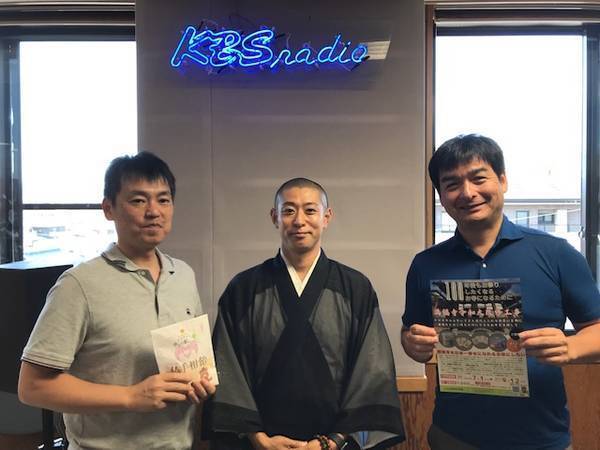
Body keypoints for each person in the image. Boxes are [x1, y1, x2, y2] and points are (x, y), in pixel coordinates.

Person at [402, 134, 600, 450]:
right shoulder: (426, 264)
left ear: (503, 180)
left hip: (540, 439)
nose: (467, 192)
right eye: (452, 184)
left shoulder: (556, 253)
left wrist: (571, 346)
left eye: (479, 178)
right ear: (441, 195)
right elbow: (411, 334)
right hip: (453, 436)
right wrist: (413, 343)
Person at [18, 152, 216, 450]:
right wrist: (131, 396)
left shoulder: (183, 275)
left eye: (163, 200)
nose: (154, 211)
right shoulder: (79, 284)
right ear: (108, 209)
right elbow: (32, 386)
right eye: (138, 200)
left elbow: (190, 363)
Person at [202, 178, 405, 450]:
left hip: (332, 445)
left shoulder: (355, 288)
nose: (299, 221)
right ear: (274, 217)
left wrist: (333, 441)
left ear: (326, 217)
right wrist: (258, 439)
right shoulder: (244, 289)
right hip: (261, 445)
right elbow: (227, 369)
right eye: (288, 211)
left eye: (310, 210)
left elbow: (371, 371)